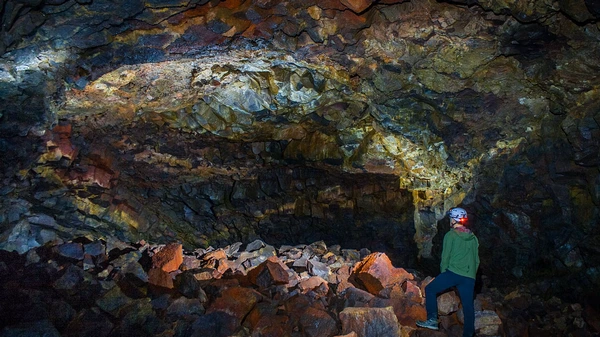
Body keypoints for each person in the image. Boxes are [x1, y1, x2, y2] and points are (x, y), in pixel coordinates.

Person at [416, 207, 480, 337]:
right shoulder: (473, 238)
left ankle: (432, 320)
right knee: (468, 306)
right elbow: (476, 261)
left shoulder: (450, 235)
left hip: (453, 273)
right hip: (469, 277)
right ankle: (468, 334)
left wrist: (444, 275)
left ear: (453, 220)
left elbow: (445, 258)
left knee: (430, 289)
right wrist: (471, 276)